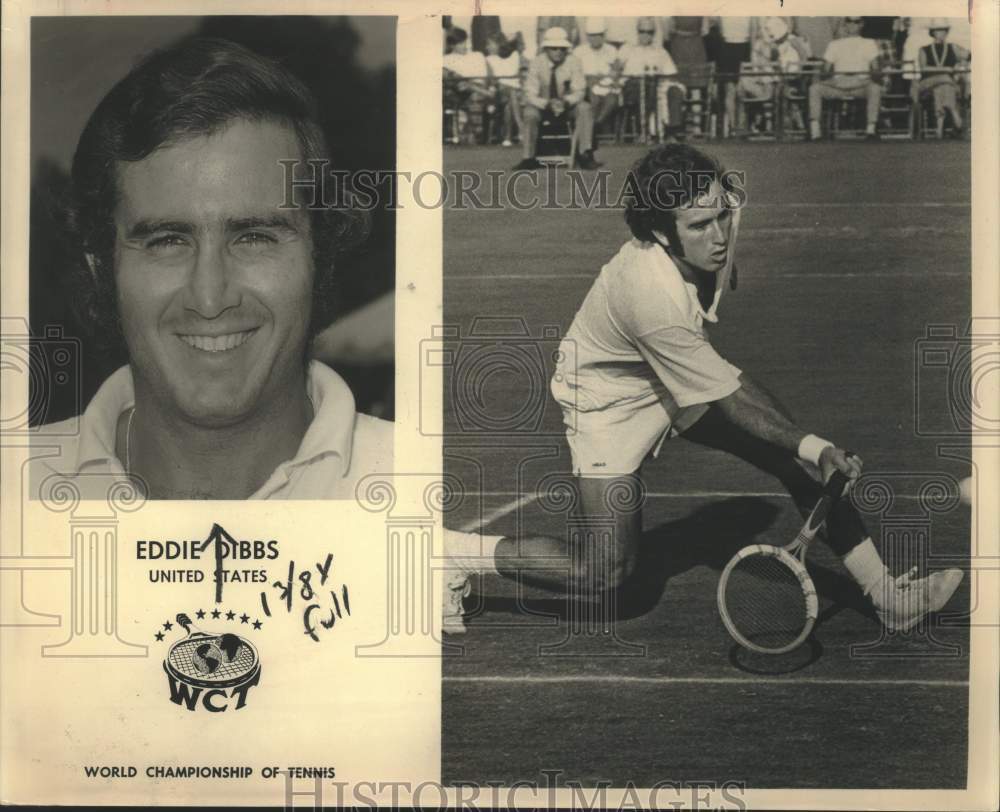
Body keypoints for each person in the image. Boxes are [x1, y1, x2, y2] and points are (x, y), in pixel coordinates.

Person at [444, 143, 963, 635]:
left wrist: (807, 449)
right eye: (700, 225)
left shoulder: (712, 225)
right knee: (603, 573)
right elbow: (726, 396)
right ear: (661, 234)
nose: (718, 235)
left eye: (721, 215)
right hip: (606, 398)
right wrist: (818, 444)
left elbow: (716, 377)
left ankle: (888, 599)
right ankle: (450, 555)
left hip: (678, 362)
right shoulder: (646, 294)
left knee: (798, 460)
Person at [31, 38, 392, 500]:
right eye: (167, 241)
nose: (210, 296)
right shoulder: (16, 485)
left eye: (255, 237)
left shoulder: (414, 481)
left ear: (321, 255)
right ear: (102, 269)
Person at [514, 26, 599, 171]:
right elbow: (530, 93)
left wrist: (565, 101)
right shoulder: (536, 63)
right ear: (546, 49)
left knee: (585, 108)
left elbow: (579, 90)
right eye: (553, 48)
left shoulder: (574, 61)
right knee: (529, 113)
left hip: (567, 106)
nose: (558, 52)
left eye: (562, 48)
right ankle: (528, 157)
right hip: (543, 106)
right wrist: (546, 104)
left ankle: (585, 154)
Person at [808, 16, 884, 141]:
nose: (852, 25)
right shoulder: (834, 44)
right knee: (814, 89)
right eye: (849, 21)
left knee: (875, 89)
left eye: (856, 22)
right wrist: (824, 74)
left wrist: (874, 75)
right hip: (839, 84)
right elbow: (825, 69)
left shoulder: (869, 43)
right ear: (845, 24)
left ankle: (871, 129)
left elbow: (875, 68)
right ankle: (815, 130)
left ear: (862, 24)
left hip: (860, 84)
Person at [620, 17, 686, 141]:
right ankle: (647, 131)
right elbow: (617, 70)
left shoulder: (660, 51)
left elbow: (671, 72)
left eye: (649, 32)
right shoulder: (627, 49)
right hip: (633, 85)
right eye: (642, 31)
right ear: (637, 31)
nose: (646, 35)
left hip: (656, 83)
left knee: (675, 91)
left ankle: (671, 130)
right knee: (647, 89)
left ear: (654, 33)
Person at [916, 19, 970, 138]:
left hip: (946, 86)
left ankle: (939, 127)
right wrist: (945, 70)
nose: (942, 33)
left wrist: (962, 65)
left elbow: (968, 56)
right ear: (933, 32)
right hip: (927, 83)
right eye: (939, 30)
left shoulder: (953, 47)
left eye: (944, 30)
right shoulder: (924, 49)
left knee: (942, 87)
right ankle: (955, 114)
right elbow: (924, 68)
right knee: (945, 80)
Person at [572, 17, 622, 132]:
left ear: (603, 35)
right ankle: (590, 128)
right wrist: (590, 80)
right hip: (585, 84)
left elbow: (615, 70)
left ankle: (596, 124)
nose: (595, 39)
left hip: (606, 83)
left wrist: (606, 80)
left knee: (612, 101)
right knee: (593, 97)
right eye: (592, 35)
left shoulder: (611, 50)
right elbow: (575, 72)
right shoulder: (579, 51)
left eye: (598, 35)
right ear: (587, 36)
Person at [486, 33, 526, 146]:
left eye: (490, 44)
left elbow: (520, 74)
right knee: (511, 93)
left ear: (499, 44)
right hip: (500, 91)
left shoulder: (515, 55)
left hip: (515, 92)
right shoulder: (488, 59)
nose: (487, 47)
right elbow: (491, 80)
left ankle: (507, 137)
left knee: (509, 104)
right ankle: (521, 129)